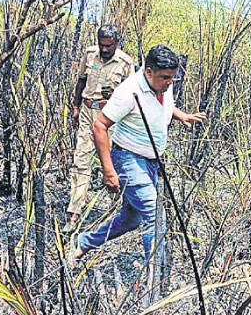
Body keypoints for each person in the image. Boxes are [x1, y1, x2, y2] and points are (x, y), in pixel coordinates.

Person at [71, 45, 205, 266]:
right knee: (154, 213)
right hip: (128, 158)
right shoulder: (128, 92)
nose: (170, 82)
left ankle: (84, 243)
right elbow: (99, 125)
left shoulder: (163, 83)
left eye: (173, 78)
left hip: (152, 161)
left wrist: (181, 115)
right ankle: (154, 277)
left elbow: (163, 105)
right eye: (165, 78)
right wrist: (108, 171)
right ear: (149, 72)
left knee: (131, 219)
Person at [63, 24, 134, 233]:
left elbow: (132, 96)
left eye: (108, 46)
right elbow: (81, 81)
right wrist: (75, 107)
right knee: (81, 161)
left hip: (110, 116)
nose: (104, 49)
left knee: (110, 162)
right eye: (101, 45)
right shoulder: (90, 54)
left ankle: (115, 210)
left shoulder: (126, 63)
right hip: (87, 112)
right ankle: (74, 213)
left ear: (116, 43)